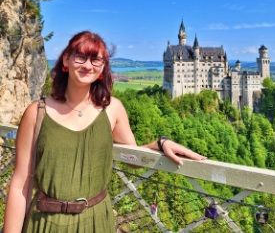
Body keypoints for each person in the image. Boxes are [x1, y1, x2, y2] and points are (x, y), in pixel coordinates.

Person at [3, 31, 206, 232]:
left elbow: (131, 158)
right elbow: (20, 183)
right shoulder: (37, 112)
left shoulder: (112, 109)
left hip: (95, 222)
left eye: (96, 60)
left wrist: (161, 144)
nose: (87, 65)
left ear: (102, 69)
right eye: (80, 57)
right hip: (46, 223)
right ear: (66, 60)